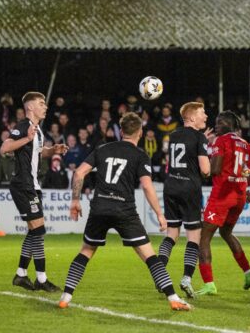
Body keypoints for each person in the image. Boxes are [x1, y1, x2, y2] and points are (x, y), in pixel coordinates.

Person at [59, 112, 192, 311]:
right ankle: (173, 298)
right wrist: (160, 214)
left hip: (100, 208)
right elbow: (147, 186)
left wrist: (75, 201)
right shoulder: (140, 155)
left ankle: (65, 297)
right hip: (124, 210)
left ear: (121, 131)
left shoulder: (102, 148)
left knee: (86, 251)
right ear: (140, 132)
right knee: (149, 255)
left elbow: (79, 172)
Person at [0, 92, 68, 291]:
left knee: (34, 231)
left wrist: (53, 150)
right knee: (38, 231)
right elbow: (5, 147)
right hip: (23, 185)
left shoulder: (37, 131)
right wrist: (25, 138)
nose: (45, 106)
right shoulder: (23, 127)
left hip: (32, 185)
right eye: (41, 103)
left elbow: (39, 153)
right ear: (30, 108)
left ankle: (21, 275)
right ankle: (41, 279)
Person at [197, 111, 250, 295]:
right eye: (216, 121)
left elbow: (216, 169)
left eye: (221, 121)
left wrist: (202, 165)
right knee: (226, 233)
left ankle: (209, 284)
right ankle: (249, 274)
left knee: (204, 237)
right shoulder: (247, 146)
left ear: (233, 125)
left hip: (222, 195)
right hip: (240, 196)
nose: (217, 124)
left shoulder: (221, 141)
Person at [159, 102, 211, 298]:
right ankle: (186, 278)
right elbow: (205, 170)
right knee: (193, 236)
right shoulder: (199, 137)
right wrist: (205, 149)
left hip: (171, 185)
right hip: (189, 188)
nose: (205, 116)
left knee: (172, 233)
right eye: (202, 113)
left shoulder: (173, 135)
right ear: (191, 117)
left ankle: (160, 273)